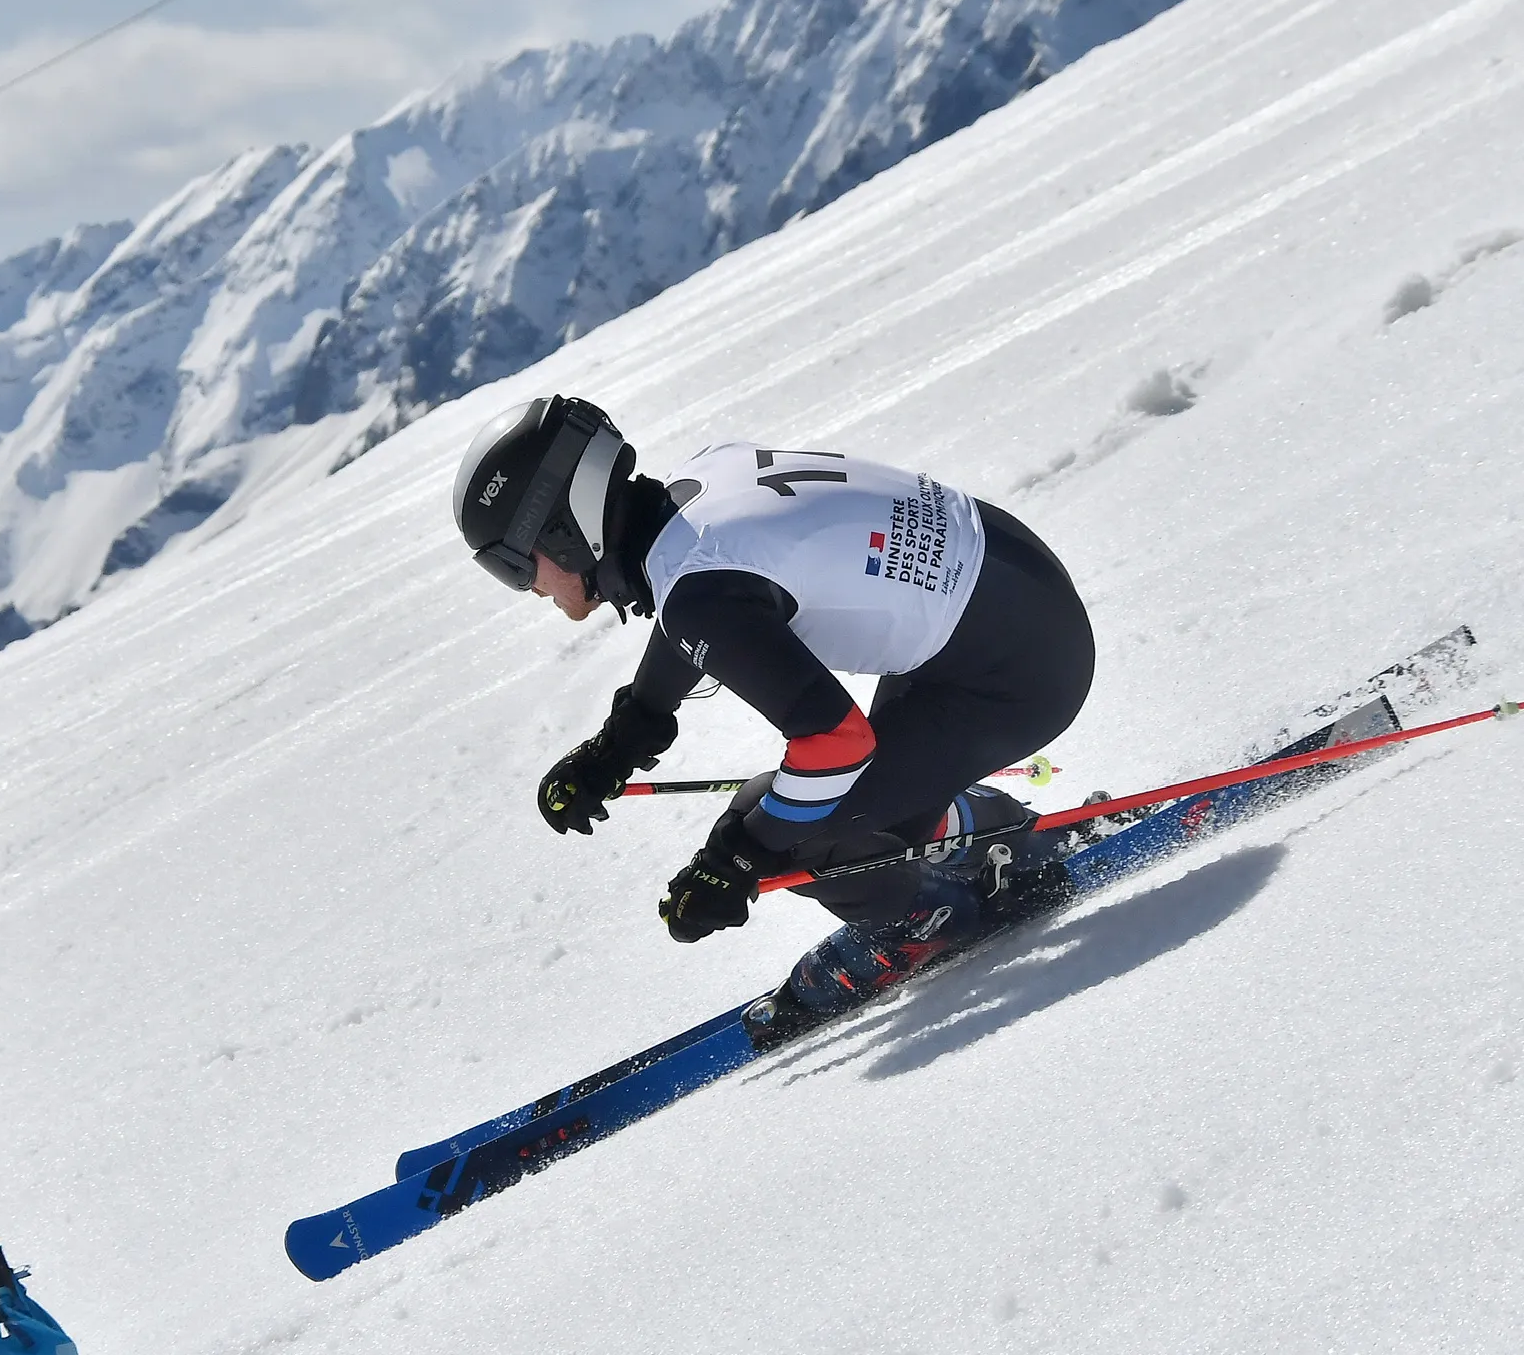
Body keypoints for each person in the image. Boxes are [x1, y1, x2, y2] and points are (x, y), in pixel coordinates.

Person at [452, 394, 1097, 1019]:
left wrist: (739, 857)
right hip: (1015, 595)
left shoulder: (698, 591)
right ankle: (997, 838)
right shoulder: (701, 483)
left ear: (562, 535)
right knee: (856, 804)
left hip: (1015, 675)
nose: (525, 589)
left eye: (513, 567)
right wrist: (622, 740)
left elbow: (835, 741)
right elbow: (706, 604)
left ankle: (927, 921)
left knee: (788, 831)